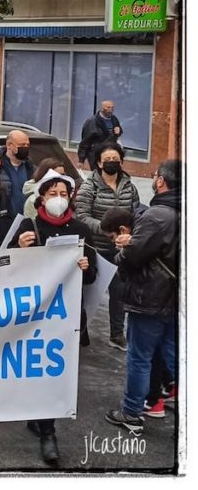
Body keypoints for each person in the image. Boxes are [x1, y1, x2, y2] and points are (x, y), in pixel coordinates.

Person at [9, 169, 97, 464]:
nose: (58, 199)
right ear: (41, 197)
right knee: (36, 368)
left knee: (55, 371)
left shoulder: (81, 230)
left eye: (63, 194)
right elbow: (3, 265)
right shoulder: (27, 224)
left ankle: (47, 428)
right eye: (52, 194)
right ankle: (42, 423)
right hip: (33, 315)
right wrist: (19, 248)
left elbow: (92, 276)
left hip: (66, 317)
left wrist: (86, 266)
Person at [105, 160, 180, 435]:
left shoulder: (156, 215)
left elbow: (133, 258)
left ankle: (132, 412)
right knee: (173, 352)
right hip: (175, 298)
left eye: (155, 175)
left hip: (150, 297)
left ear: (161, 181)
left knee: (140, 357)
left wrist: (122, 250)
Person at [74, 143, 140, 351]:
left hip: (121, 249)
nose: (112, 162)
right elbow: (82, 216)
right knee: (87, 291)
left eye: (116, 159)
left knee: (119, 293)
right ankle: (78, 332)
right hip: (97, 248)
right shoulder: (89, 187)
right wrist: (106, 230)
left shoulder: (129, 186)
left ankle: (116, 334)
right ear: (100, 162)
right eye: (107, 159)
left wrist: (129, 235)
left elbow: (136, 212)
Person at [0, 130, 36, 215]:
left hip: (26, 219)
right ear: (9, 145)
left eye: (27, 145)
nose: (25, 147)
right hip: (5, 220)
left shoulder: (30, 167)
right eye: (22, 145)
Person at [79, 100, 123, 171]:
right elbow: (85, 142)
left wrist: (119, 131)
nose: (111, 110)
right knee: (98, 173)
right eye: (108, 108)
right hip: (96, 152)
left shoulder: (114, 119)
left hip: (110, 150)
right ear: (102, 108)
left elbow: (117, 131)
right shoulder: (92, 122)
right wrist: (81, 159)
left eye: (112, 108)